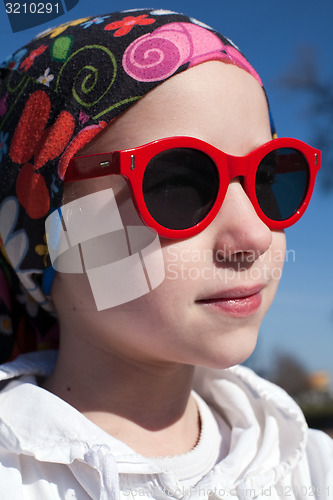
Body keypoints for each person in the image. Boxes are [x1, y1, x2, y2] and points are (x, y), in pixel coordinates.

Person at [0, 7, 331, 500]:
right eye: (177, 182)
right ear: (44, 225)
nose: (255, 236)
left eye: (267, 176)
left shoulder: (306, 462)